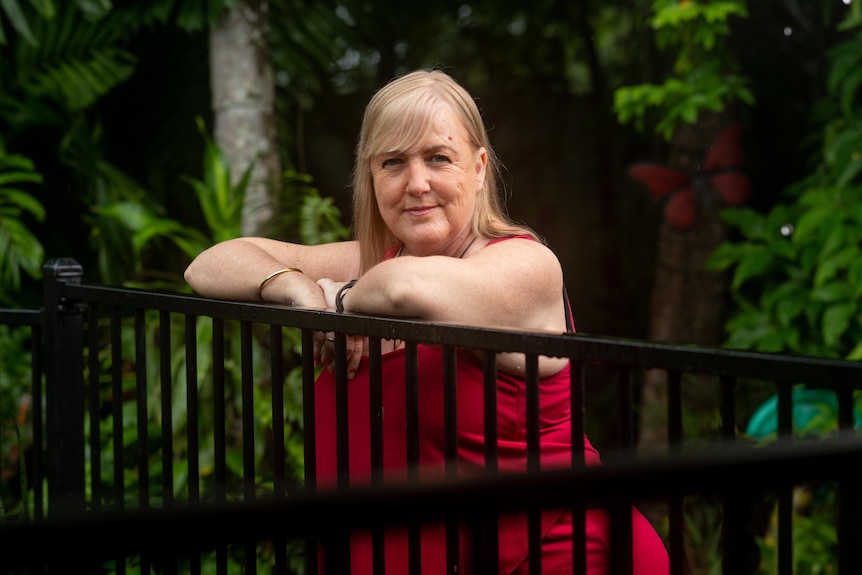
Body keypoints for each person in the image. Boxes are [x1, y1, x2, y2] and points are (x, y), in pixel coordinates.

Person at [185, 69, 669, 575]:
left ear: (480, 168)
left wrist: (341, 300)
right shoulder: (373, 263)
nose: (417, 184)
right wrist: (298, 291)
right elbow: (210, 264)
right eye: (393, 163)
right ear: (371, 176)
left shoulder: (526, 266)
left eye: (438, 158)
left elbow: (405, 288)